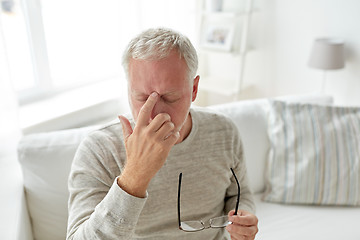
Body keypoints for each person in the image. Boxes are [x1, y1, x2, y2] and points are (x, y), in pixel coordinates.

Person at [67, 28, 258, 240]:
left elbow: (239, 194)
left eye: (170, 97)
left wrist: (243, 217)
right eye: (141, 97)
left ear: (194, 90)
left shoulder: (224, 131)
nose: (154, 114)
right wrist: (135, 176)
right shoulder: (99, 150)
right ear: (129, 90)